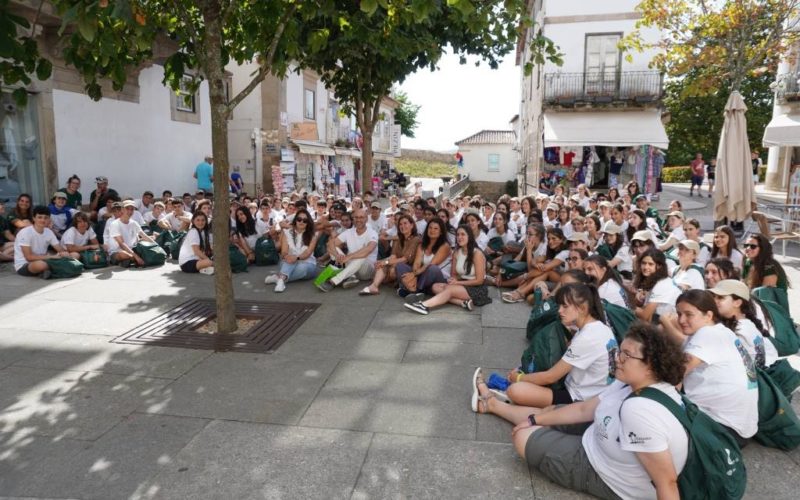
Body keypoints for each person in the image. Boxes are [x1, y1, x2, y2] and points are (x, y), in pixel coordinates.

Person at [477, 322, 688, 500]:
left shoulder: (639, 412)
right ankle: (493, 405)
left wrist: (533, 423)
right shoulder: (634, 383)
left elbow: (667, 482)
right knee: (547, 413)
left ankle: (492, 404)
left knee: (523, 437)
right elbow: (585, 409)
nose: (616, 359)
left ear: (650, 365)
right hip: (599, 436)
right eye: (619, 353)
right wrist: (534, 419)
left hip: (606, 474)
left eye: (626, 356)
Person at [494, 283, 618, 410]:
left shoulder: (588, 337)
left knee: (516, 390)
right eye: (559, 305)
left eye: (565, 306)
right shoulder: (599, 327)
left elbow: (550, 377)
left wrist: (519, 378)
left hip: (579, 398)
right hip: (593, 392)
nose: (559, 310)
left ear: (582, 308)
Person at [661, 290, 759, 444]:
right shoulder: (721, 332)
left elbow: (677, 375)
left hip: (722, 430)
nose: (681, 320)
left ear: (708, 315)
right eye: (679, 314)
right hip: (739, 428)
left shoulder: (707, 334)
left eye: (689, 314)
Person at [404, 225, 490, 314]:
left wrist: (458, 283)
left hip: (477, 289)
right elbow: (453, 274)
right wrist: (453, 280)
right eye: (458, 235)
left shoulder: (477, 253)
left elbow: (480, 281)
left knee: (449, 290)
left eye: (463, 234)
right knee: (435, 286)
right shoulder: (456, 253)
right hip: (462, 284)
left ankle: (424, 305)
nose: (459, 237)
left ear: (469, 237)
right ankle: (462, 302)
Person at [709, 280, 778, 370]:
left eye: (720, 298)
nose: (715, 301)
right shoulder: (745, 324)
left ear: (737, 303)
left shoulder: (742, 330)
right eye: (714, 297)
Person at [318, 209, 378, 292]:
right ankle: (351, 277)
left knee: (363, 255)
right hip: (351, 265)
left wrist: (349, 256)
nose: (358, 220)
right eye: (356, 217)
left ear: (366, 219)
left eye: (361, 217)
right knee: (333, 248)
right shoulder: (349, 232)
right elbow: (330, 244)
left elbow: (369, 249)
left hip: (366, 270)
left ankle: (333, 281)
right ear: (353, 219)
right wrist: (337, 255)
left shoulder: (372, 233)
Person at [360, 213, 419, 295]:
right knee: (381, 265)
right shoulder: (398, 239)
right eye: (400, 224)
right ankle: (374, 286)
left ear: (412, 225)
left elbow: (405, 259)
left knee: (392, 269)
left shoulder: (416, 239)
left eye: (405, 223)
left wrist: (386, 262)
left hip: (409, 267)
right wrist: (382, 261)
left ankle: (398, 283)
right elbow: (393, 256)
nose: (402, 226)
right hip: (396, 264)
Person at [263, 208, 319, 291]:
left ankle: (279, 278)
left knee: (302, 267)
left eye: (305, 220)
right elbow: (284, 252)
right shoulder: (286, 232)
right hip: (288, 262)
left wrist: (296, 258)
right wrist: (287, 257)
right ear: (295, 220)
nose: (301, 222)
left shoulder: (313, 235)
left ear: (308, 223)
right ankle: (282, 280)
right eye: (299, 219)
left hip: (307, 264)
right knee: (287, 262)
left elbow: (308, 252)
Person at [13, 205, 77, 279]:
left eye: (46, 218)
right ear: (34, 218)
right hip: (25, 265)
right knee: (42, 265)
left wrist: (65, 254)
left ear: (49, 219)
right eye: (39, 217)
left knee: (75, 255)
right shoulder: (25, 232)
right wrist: (52, 257)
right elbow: (29, 257)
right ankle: (53, 270)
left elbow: (60, 250)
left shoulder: (49, 232)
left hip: (45, 259)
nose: (43, 220)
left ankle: (50, 271)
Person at [397, 217, 450, 299]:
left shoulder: (445, 246)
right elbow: (417, 263)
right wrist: (414, 272)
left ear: (441, 232)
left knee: (433, 268)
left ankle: (413, 291)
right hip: (422, 275)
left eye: (436, 228)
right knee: (400, 266)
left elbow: (432, 263)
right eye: (430, 227)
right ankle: (413, 289)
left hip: (438, 279)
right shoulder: (422, 245)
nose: (432, 230)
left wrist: (413, 274)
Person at [633, 249, 680, 322]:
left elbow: (645, 315)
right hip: (659, 319)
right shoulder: (653, 280)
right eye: (644, 263)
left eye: (650, 264)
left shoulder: (661, 285)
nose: (646, 267)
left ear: (659, 266)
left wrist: (627, 306)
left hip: (671, 323)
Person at [107, 200, 156, 267]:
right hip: (117, 252)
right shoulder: (115, 224)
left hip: (132, 249)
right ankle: (132, 259)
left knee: (148, 244)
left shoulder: (134, 223)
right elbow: (121, 244)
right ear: (122, 209)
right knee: (124, 254)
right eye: (127, 209)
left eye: (132, 209)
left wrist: (157, 246)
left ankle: (130, 260)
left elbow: (144, 236)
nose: (130, 211)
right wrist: (136, 257)